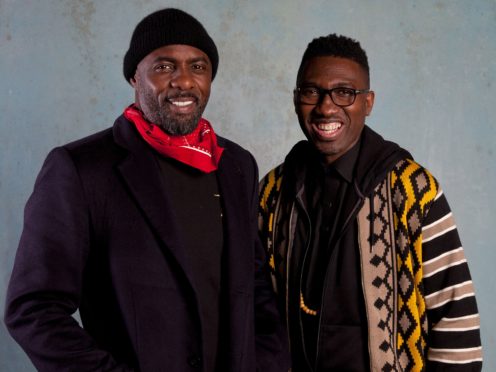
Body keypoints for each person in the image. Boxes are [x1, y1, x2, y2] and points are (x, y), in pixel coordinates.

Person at [5, 8, 289, 372]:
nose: (184, 81)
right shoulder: (81, 168)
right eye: (165, 66)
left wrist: (266, 363)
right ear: (134, 78)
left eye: (198, 67)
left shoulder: (236, 165)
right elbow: (32, 309)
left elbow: (255, 287)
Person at [258, 34, 482, 371]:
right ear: (295, 99)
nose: (326, 107)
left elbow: (456, 322)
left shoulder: (413, 191)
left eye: (344, 92)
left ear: (368, 102)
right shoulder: (273, 193)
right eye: (311, 92)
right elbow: (257, 315)